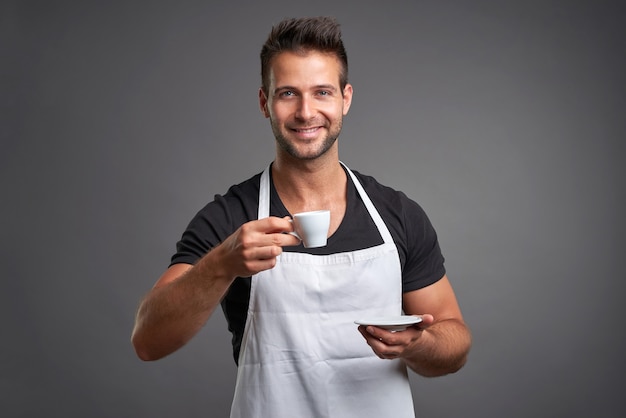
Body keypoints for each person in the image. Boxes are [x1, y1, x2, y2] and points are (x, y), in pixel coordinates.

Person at [131, 16, 471, 418]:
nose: (306, 112)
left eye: (322, 92)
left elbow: (455, 339)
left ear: (345, 98)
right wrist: (220, 266)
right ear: (265, 103)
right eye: (288, 93)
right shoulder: (229, 218)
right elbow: (148, 341)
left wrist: (419, 346)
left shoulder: (397, 214)